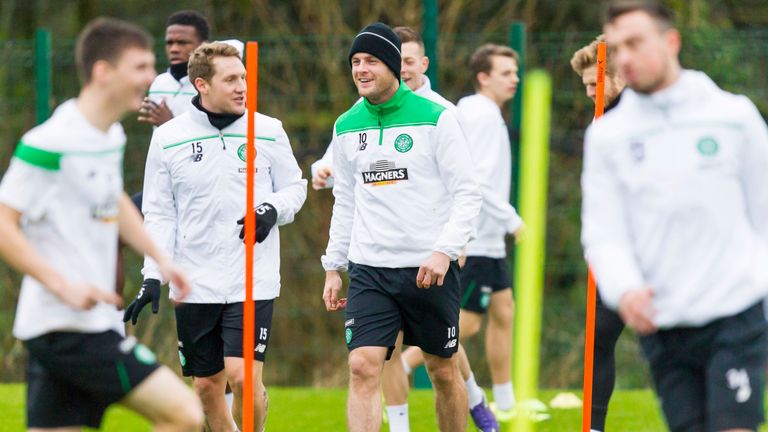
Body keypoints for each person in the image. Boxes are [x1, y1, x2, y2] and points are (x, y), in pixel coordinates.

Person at [0, 17, 203, 432]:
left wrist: (163, 259)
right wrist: (62, 285)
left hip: (75, 325)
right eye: (140, 67)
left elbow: (114, 201)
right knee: (184, 415)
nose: (151, 77)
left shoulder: (110, 136)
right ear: (102, 71)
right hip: (69, 327)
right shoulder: (49, 143)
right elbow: (4, 222)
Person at [583, 1, 768, 431]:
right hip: (663, 322)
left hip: (735, 312)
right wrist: (625, 288)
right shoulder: (608, 136)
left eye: (635, 43)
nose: (624, 57)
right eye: (616, 47)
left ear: (671, 41)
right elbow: (603, 232)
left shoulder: (733, 116)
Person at [126, 42, 307, 432]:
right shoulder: (169, 137)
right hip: (193, 281)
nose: (242, 86)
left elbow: (296, 187)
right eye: (231, 80)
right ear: (201, 85)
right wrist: (152, 274)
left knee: (242, 378)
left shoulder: (269, 131)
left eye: (243, 77)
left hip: (251, 278)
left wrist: (272, 209)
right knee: (208, 387)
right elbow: (159, 212)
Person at [322, 22, 481, 432]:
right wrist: (333, 266)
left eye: (371, 60)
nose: (360, 69)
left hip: (428, 269)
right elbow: (345, 200)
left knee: (444, 371)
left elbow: (467, 193)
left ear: (394, 65)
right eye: (355, 61)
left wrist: (444, 251)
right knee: (361, 366)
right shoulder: (345, 125)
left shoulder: (438, 118)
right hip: (369, 269)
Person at [452, 43, 524, 421]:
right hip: (475, 235)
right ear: (483, 77)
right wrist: (512, 219)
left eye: (516, 72)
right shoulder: (478, 114)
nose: (515, 79)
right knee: (467, 324)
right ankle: (402, 365)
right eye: (506, 73)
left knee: (504, 310)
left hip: (490, 237)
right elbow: (475, 181)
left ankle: (508, 402)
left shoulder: (488, 113)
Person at [569, 35, 626, 432]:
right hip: (616, 252)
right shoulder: (599, 123)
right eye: (586, 85)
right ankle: (594, 428)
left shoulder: (647, 114)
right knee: (598, 339)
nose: (590, 92)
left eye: (596, 84)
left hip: (664, 251)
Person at [138, 10, 209, 127]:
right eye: (169, 43)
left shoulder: (210, 85)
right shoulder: (158, 83)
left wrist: (169, 124)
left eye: (182, 42)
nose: (174, 49)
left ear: (203, 46)